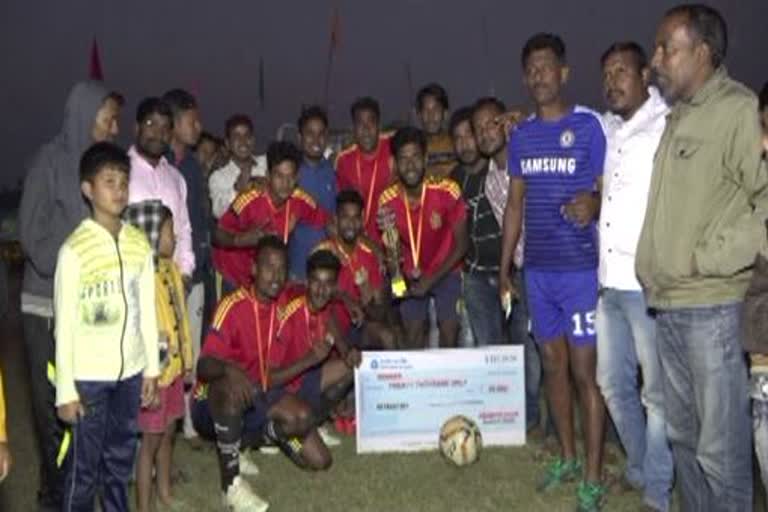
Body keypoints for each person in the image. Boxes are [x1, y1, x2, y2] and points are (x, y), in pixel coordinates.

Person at [636, 5, 768, 510]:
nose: (657, 60)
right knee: (684, 441)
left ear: (704, 53)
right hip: (669, 306)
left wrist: (709, 257)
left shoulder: (736, 110)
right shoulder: (681, 116)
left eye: (668, 48)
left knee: (721, 453)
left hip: (711, 308)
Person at [498, 33, 607, 510]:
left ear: (564, 72)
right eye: (532, 69)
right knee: (553, 368)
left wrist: (596, 202)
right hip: (537, 272)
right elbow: (515, 206)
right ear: (526, 78)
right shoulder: (520, 135)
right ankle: (566, 455)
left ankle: (593, 474)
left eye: (547, 67)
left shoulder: (589, 128)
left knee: (586, 373)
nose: (539, 76)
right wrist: (505, 268)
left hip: (579, 271)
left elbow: (609, 189)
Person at [18, 81, 122, 511]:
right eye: (108, 117)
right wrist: (72, 263)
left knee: (84, 407)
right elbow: (30, 234)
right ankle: (53, 496)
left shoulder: (101, 171)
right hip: (45, 307)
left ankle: (72, 491)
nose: (115, 127)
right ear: (83, 113)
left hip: (85, 313)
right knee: (51, 411)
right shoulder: (49, 160)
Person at [54, 142, 159, 511]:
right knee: (83, 471)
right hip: (88, 380)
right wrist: (66, 390)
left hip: (130, 376)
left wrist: (151, 369)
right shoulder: (74, 250)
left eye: (123, 182)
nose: (119, 190)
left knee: (119, 465)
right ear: (88, 189)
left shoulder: (138, 243)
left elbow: (147, 310)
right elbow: (63, 326)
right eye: (109, 181)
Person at [192, 236, 332, 512]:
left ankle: (247, 440)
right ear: (254, 269)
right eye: (268, 267)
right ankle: (230, 487)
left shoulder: (285, 302)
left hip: (260, 394)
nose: (275, 275)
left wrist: (348, 303)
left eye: (281, 268)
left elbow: (323, 291)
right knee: (230, 385)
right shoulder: (232, 305)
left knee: (319, 457)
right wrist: (230, 369)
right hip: (214, 400)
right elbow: (203, 366)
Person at [595, 42, 672, 512]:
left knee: (658, 396)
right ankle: (642, 467)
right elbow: (577, 116)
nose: (613, 80)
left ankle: (658, 493)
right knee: (612, 384)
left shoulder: (666, 123)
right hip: (608, 283)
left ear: (646, 73)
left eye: (622, 70)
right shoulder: (611, 129)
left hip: (646, 285)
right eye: (606, 73)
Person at [125, 202, 193, 512]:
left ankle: (165, 494)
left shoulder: (171, 270)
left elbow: (182, 323)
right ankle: (144, 506)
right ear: (150, 234)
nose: (175, 237)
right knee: (149, 443)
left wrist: (188, 363)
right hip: (154, 377)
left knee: (168, 434)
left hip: (174, 372)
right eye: (168, 231)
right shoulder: (139, 278)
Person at [378, 127, 468, 349]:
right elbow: (392, 253)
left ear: (426, 158)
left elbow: (462, 244)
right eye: (403, 159)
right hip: (411, 274)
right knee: (413, 335)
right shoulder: (387, 201)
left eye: (416, 157)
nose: (410, 165)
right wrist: (399, 281)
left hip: (447, 269)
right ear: (395, 164)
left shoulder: (448, 190)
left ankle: (449, 382)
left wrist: (431, 279)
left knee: (449, 332)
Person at [212, 141, 330, 291]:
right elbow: (217, 234)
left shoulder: (300, 200)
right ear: (268, 175)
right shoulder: (250, 199)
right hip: (234, 274)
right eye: (279, 176)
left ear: (297, 178)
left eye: (290, 177)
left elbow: (328, 220)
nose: (285, 183)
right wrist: (241, 240)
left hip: (267, 278)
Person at [269, 249, 361, 441]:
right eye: (316, 282)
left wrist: (349, 352)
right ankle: (271, 429)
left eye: (328, 284)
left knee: (351, 366)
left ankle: (314, 423)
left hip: (304, 380)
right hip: (280, 387)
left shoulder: (325, 308)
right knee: (318, 460)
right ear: (307, 282)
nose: (321, 290)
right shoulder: (289, 312)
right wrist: (309, 360)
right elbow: (268, 377)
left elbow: (340, 341)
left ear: (334, 286)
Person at [313, 189, 398, 351]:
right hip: (328, 325)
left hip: (359, 327)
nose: (350, 224)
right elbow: (314, 295)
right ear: (336, 220)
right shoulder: (322, 252)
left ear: (362, 220)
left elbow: (377, 314)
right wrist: (345, 298)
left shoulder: (371, 253)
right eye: (345, 217)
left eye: (355, 218)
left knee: (388, 336)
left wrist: (367, 299)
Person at [336, 97, 395, 241]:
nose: (366, 129)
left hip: (395, 237)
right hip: (360, 240)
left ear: (379, 125)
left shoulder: (394, 148)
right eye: (360, 123)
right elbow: (342, 207)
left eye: (371, 122)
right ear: (353, 129)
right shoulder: (344, 161)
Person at [289, 106, 337, 280]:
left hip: (328, 270)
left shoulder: (334, 171)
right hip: (296, 270)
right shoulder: (289, 172)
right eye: (310, 133)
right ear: (300, 137)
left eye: (321, 133)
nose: (316, 139)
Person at [208, 115, 267, 219]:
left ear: (253, 140)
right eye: (236, 136)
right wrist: (237, 189)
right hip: (240, 234)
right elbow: (218, 213)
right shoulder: (218, 177)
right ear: (228, 143)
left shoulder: (266, 164)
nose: (243, 141)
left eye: (247, 135)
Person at [416, 83, 457, 178]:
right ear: (419, 115)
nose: (431, 116)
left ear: (445, 113)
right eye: (426, 110)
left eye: (436, 109)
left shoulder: (456, 142)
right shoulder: (413, 146)